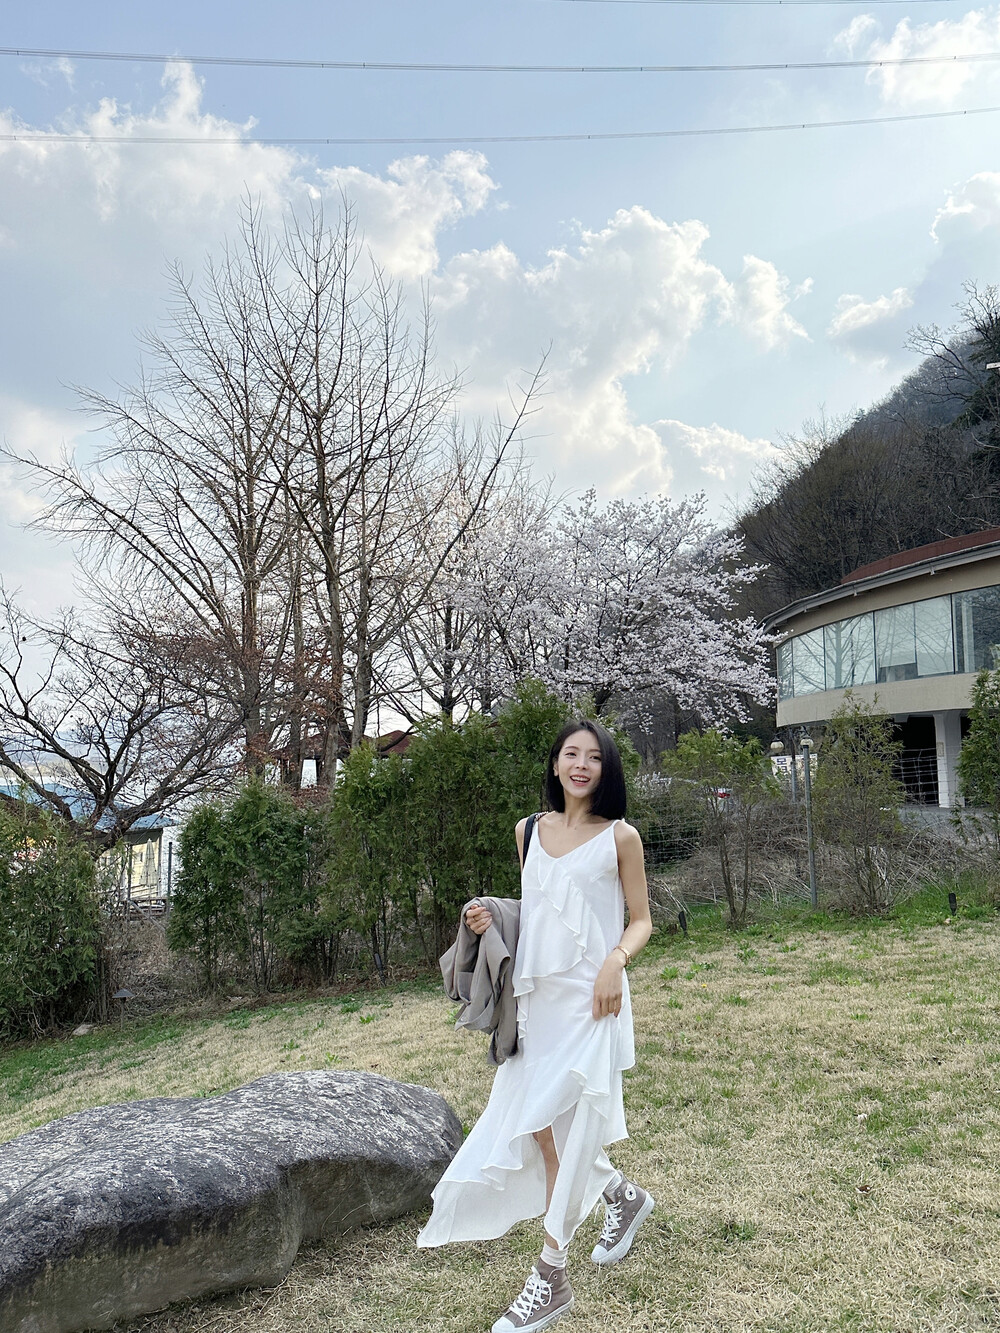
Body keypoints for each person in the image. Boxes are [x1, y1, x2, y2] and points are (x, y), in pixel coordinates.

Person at [417, 718, 655, 1332]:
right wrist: (491, 915)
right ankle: (622, 1196)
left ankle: (551, 1275)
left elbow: (640, 920)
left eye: (594, 757)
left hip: (593, 1002)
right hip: (536, 1000)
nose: (581, 765)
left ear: (606, 769)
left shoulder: (620, 837)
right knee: (546, 1132)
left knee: (572, 1132)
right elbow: (544, 907)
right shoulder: (527, 831)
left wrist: (615, 962)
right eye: (571, 754)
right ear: (555, 764)